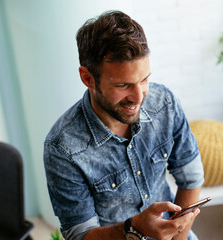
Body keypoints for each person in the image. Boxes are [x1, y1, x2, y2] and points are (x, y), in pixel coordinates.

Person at [44, 10, 204, 240]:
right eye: (123, 85)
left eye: (144, 79)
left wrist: (177, 237)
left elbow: (192, 176)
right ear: (88, 78)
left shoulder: (164, 103)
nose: (139, 97)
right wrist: (134, 227)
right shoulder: (63, 148)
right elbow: (80, 235)